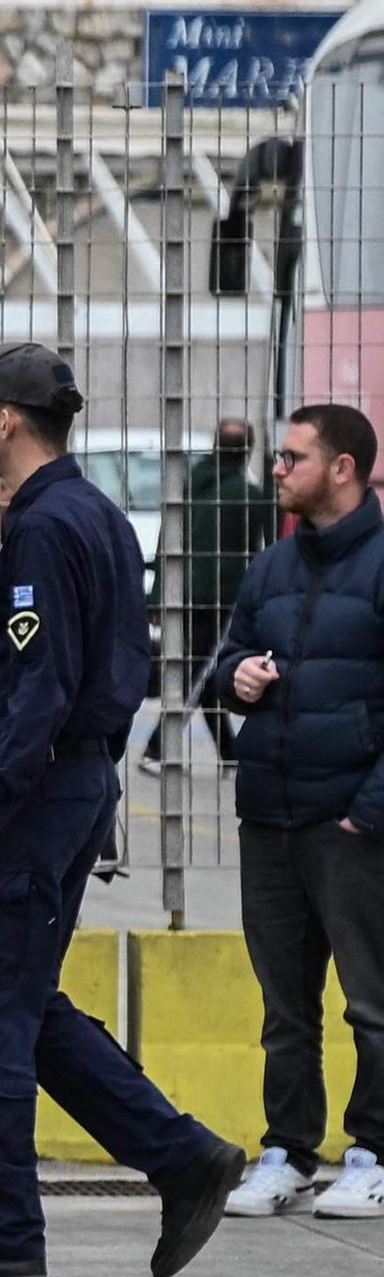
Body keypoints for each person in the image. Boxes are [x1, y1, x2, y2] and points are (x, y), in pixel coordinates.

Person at [0, 343, 245, 1277]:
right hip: (70, 787)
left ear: (8, 416)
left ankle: (7, 1235)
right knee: (24, 1006)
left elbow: (40, 686)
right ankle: (180, 1156)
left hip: (34, 793)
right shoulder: (91, 514)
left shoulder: (46, 528)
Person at [200, 402, 384, 1221]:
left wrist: (367, 813)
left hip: (349, 822)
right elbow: (223, 665)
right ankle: (288, 1151)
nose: (276, 470)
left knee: (371, 1001)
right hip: (268, 815)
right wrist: (237, 678)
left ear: (341, 468)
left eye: (291, 458)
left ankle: (373, 1151)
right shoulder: (271, 564)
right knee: (284, 1005)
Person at [177, 418, 280, 760]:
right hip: (223, 595)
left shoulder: (189, 485)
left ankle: (229, 751)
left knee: (203, 670)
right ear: (246, 452)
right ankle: (159, 745)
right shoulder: (247, 496)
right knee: (200, 672)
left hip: (183, 593)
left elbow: (169, 539)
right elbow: (271, 543)